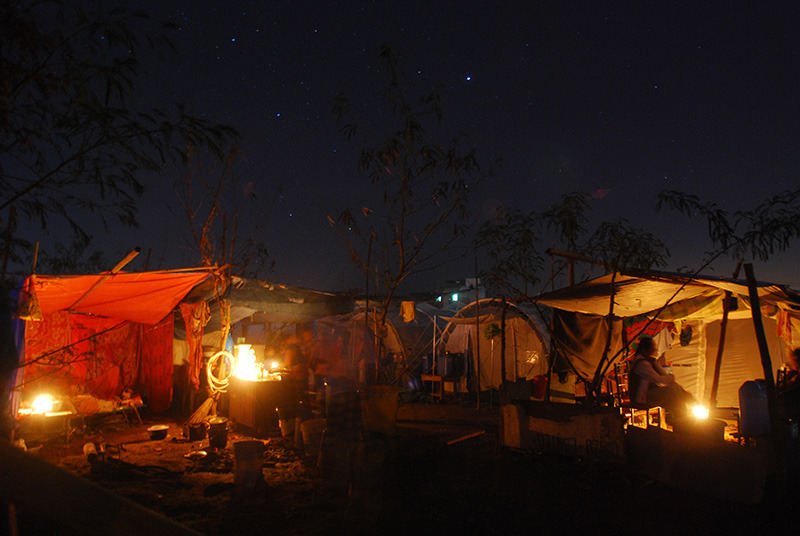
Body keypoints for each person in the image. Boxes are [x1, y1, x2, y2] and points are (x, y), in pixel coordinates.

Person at [628, 336, 695, 419]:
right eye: (652, 348)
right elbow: (659, 379)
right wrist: (671, 379)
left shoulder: (652, 361)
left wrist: (681, 390)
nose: (655, 350)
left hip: (648, 393)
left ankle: (682, 416)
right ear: (645, 349)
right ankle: (682, 418)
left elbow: (666, 377)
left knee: (674, 390)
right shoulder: (642, 364)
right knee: (669, 392)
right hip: (640, 397)